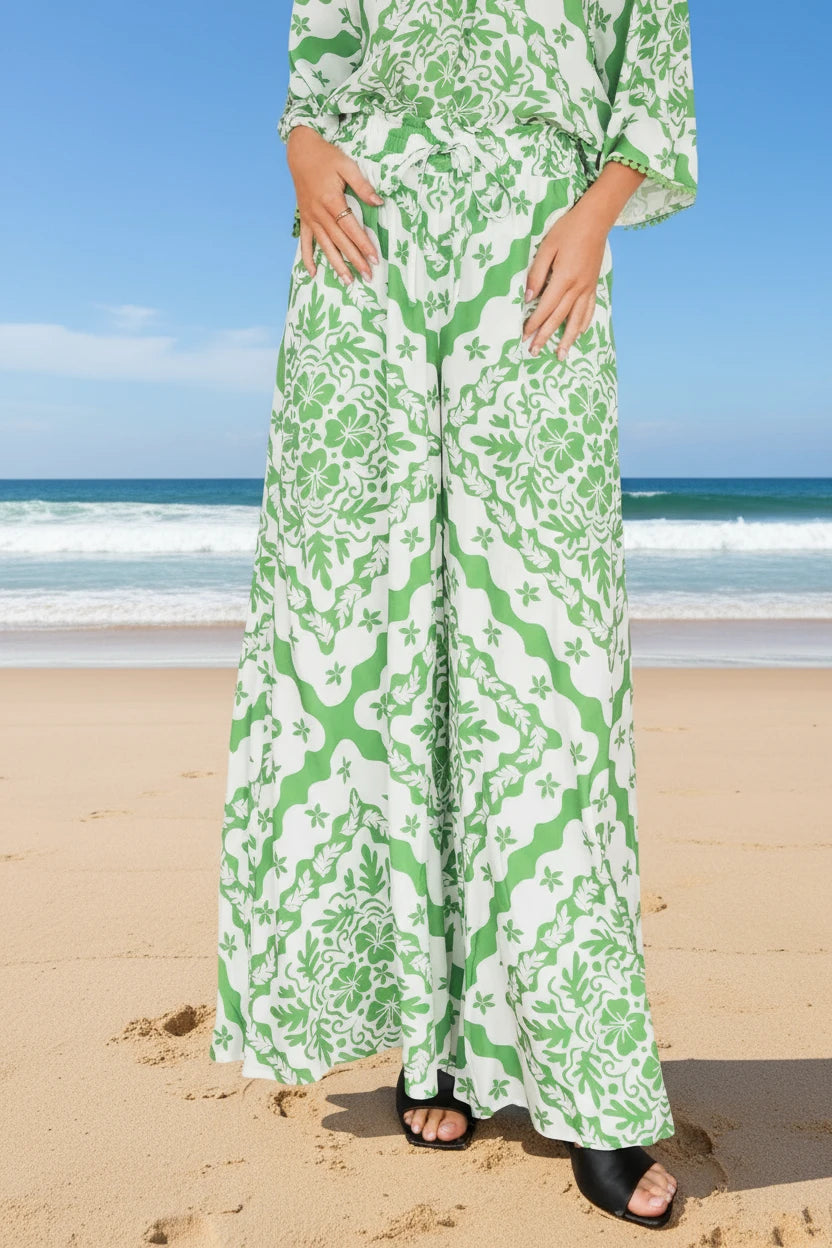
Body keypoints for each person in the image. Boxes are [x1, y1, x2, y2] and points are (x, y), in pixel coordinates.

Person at [210, 0, 697, 1231]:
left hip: (535, 243)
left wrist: (593, 216)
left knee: (545, 661)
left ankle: (593, 1090)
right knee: (368, 633)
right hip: (365, 250)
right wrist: (301, 146)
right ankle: (433, 1038)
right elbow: (320, 51)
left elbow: (653, 81)